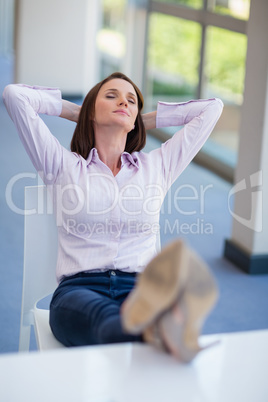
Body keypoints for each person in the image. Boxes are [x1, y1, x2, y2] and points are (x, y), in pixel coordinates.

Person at [3, 72, 223, 362]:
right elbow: (14, 96)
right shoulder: (62, 166)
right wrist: (79, 113)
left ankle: (146, 326)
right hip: (79, 291)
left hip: (142, 289)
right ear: (92, 110)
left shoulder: (157, 166)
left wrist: (141, 120)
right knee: (103, 318)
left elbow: (213, 108)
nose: (123, 101)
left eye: (131, 100)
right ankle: (149, 330)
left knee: (138, 313)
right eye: (111, 96)